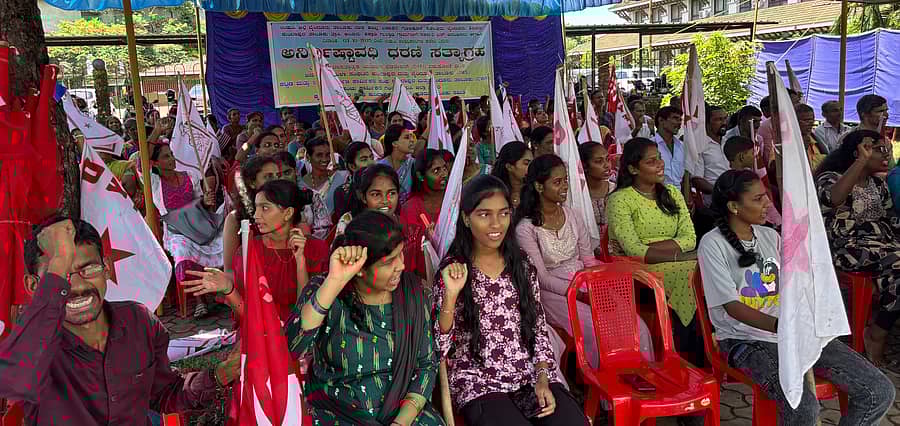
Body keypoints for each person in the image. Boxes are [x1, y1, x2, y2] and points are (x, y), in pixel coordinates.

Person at [698, 169, 894, 425]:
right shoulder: (712, 244)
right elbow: (732, 307)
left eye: (766, 195)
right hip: (745, 340)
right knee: (803, 408)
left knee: (879, 391)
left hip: (795, 334)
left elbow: (796, 285)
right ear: (734, 206)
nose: (767, 203)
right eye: (758, 199)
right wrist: (781, 326)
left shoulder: (771, 236)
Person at [0, 218, 237, 424]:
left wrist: (219, 375)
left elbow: (164, 393)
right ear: (33, 286)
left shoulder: (138, 322)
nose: (78, 287)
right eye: (62, 276)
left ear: (106, 268)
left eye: (89, 269)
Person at [435, 175, 588, 426]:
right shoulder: (455, 270)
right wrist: (450, 297)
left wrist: (542, 378)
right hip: (479, 382)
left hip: (527, 374)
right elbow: (440, 347)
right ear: (466, 218)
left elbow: (538, 328)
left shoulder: (521, 264)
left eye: (503, 213)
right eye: (484, 214)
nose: (496, 223)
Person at [285, 211, 445, 425]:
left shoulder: (414, 293)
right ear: (360, 269)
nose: (401, 266)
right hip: (338, 414)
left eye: (401, 254)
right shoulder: (325, 290)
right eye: (389, 261)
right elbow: (291, 347)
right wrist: (335, 280)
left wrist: (401, 422)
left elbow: (426, 365)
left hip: (405, 413)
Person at [514, 155, 653, 367]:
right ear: (539, 187)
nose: (565, 187)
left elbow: (588, 260)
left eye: (565, 180)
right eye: (557, 182)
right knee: (599, 330)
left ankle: (642, 378)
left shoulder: (573, 215)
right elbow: (542, 278)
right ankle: (607, 384)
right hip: (553, 293)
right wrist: (579, 294)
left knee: (636, 326)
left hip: (587, 282)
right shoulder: (526, 228)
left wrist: (605, 282)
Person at [606, 138, 700, 362]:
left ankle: (702, 343)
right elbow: (632, 249)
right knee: (688, 272)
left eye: (659, 158)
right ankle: (686, 351)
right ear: (633, 169)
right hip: (635, 269)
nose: (660, 164)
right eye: (651, 161)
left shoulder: (672, 193)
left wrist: (649, 247)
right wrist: (677, 256)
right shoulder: (620, 199)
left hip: (672, 261)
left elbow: (690, 239)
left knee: (702, 270)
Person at [815, 129, 900, 373]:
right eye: (879, 150)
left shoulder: (878, 184)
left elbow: (890, 220)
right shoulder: (830, 178)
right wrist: (861, 162)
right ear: (858, 153)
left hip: (882, 245)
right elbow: (832, 199)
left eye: (887, 149)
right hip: (847, 247)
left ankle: (879, 325)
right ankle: (876, 334)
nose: (886, 155)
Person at [184, 179, 311, 322]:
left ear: (288, 213)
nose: (256, 215)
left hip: (299, 332)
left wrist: (300, 262)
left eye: (265, 208)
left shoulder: (314, 249)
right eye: (256, 208)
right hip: (261, 331)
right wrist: (228, 289)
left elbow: (308, 316)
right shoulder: (249, 251)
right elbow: (245, 316)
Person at [145, 142, 225, 318]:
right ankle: (200, 300)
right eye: (166, 156)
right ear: (155, 163)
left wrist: (206, 201)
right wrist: (156, 132)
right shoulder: (154, 183)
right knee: (183, 249)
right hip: (176, 232)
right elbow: (140, 163)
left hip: (198, 225)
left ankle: (222, 287)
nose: (172, 159)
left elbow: (201, 203)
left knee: (226, 235)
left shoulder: (190, 176)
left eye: (171, 154)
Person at [399, 149, 449, 277]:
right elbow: (407, 250)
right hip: (425, 277)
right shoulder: (410, 208)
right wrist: (424, 238)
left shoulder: (454, 201)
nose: (444, 174)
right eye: (436, 171)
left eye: (444, 168)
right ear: (420, 176)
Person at [299, 137, 349, 241]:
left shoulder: (342, 178)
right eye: (319, 155)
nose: (325, 159)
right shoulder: (300, 184)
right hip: (308, 239)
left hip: (337, 236)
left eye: (327, 155)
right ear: (308, 157)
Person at [691, 105, 730, 206]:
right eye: (719, 119)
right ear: (707, 123)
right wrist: (720, 193)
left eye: (725, 118)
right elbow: (697, 180)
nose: (724, 123)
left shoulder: (728, 142)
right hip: (714, 203)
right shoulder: (700, 146)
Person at [578, 142, 615, 247]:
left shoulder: (616, 190)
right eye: (599, 161)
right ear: (584, 166)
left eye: (607, 159)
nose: (607, 165)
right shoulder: (577, 196)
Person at [333, 141, 376, 220]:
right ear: (352, 166)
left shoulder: (383, 184)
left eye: (372, 157)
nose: (371, 163)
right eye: (364, 160)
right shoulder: (342, 192)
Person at [378, 122, 418, 203]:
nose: (412, 140)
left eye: (412, 137)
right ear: (395, 143)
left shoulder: (413, 164)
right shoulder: (380, 167)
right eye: (407, 137)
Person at [491, 141, 533, 209]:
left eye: (532, 163)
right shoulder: (494, 193)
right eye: (526, 163)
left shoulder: (534, 192)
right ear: (509, 167)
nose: (531, 167)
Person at [796, 103, 828, 171]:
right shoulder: (787, 142)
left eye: (812, 120)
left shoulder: (816, 140)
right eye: (806, 120)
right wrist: (801, 149)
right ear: (795, 121)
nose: (811, 123)